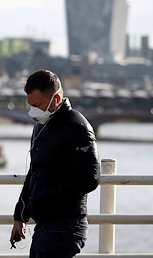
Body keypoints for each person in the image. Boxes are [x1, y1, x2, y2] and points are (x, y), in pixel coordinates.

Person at [10, 69, 100, 257]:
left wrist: (47, 197)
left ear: (56, 99)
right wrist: (20, 216)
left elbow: (89, 178)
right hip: (45, 225)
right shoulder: (41, 126)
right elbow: (34, 173)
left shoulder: (77, 126)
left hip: (66, 225)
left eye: (38, 105)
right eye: (30, 105)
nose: (33, 111)